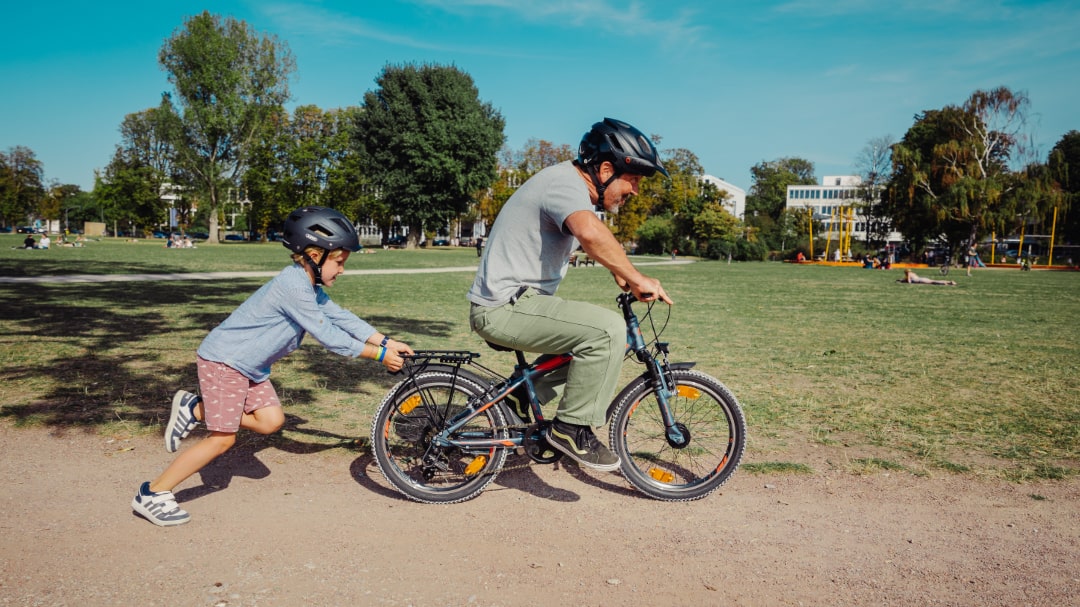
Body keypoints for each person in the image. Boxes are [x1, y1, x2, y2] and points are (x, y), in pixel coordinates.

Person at [132, 206, 414, 526]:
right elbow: (329, 336)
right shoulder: (292, 286)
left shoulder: (307, 286)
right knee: (222, 439)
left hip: (249, 367)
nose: (342, 270)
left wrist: (386, 341)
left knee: (269, 421)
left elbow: (340, 317)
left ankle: (195, 409)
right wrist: (378, 356)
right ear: (313, 254)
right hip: (226, 362)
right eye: (339, 261)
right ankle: (153, 493)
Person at [467, 117, 673, 472]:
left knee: (615, 342)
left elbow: (592, 239)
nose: (635, 190)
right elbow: (591, 234)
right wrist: (634, 276)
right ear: (606, 168)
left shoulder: (568, 187)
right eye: (634, 180)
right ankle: (571, 429)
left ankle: (519, 398)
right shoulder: (564, 184)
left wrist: (618, 272)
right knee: (607, 330)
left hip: (521, 303)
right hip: (505, 308)